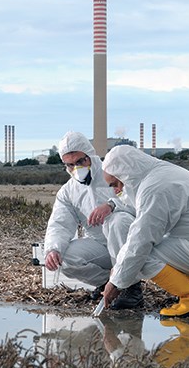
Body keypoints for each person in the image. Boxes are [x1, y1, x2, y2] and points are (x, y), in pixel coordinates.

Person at [100, 145, 189, 318]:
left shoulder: (154, 188)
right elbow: (136, 206)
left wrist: (117, 281)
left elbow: (141, 241)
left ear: (127, 174)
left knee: (143, 256)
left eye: (116, 184)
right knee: (153, 247)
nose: (116, 190)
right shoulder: (161, 174)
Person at [43, 132, 143, 309]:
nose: (76, 168)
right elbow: (59, 223)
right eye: (70, 165)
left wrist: (112, 205)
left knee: (117, 221)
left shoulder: (114, 172)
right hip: (99, 244)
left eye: (80, 161)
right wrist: (52, 249)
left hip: (129, 243)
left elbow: (138, 204)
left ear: (90, 155)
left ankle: (131, 287)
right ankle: (109, 284)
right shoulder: (68, 192)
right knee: (64, 259)